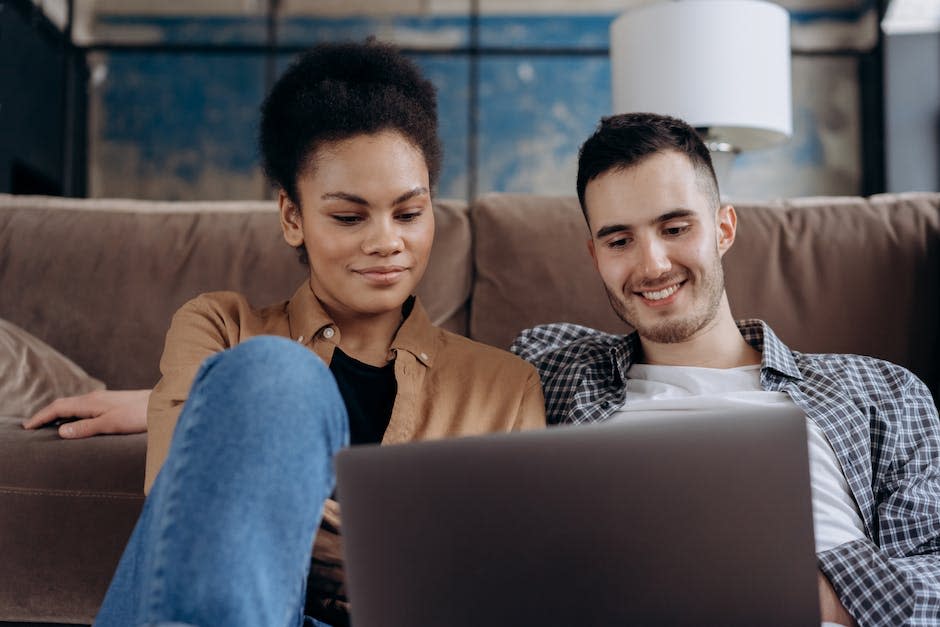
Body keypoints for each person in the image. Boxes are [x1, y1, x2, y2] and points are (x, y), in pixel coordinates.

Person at [48, 41, 545, 627]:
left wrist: (326, 539)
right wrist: (404, 551)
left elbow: (515, 584)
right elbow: (188, 517)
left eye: (409, 213)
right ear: (292, 217)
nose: (387, 241)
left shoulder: (507, 389)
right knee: (274, 373)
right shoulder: (219, 330)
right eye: (349, 216)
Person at [510, 112, 940, 626]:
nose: (652, 265)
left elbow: (931, 584)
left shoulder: (880, 392)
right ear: (594, 255)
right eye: (619, 241)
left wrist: (777, 588)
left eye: (675, 228)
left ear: (723, 228)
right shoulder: (554, 370)